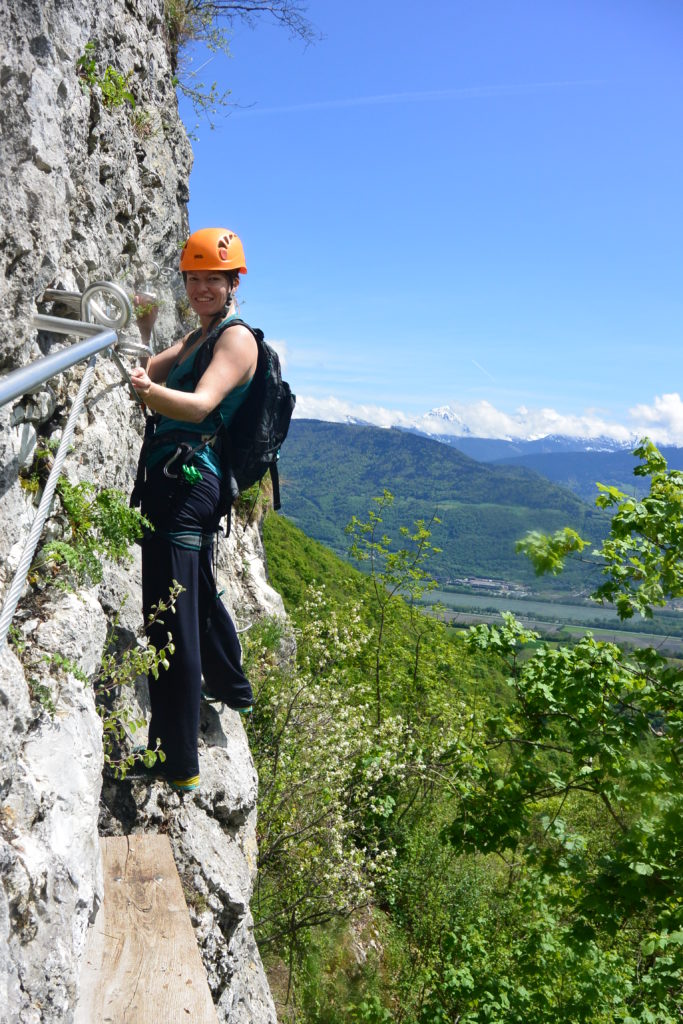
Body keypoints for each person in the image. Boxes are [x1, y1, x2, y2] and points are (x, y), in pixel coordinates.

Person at [129, 227, 257, 792]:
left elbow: (202, 404)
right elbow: (151, 367)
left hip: (187, 487)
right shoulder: (196, 335)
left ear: (233, 284)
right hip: (174, 481)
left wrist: (148, 395)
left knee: (169, 621)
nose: (202, 287)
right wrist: (143, 332)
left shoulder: (236, 341)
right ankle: (230, 685)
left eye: (214, 279)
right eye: (194, 278)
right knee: (193, 594)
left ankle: (175, 760)